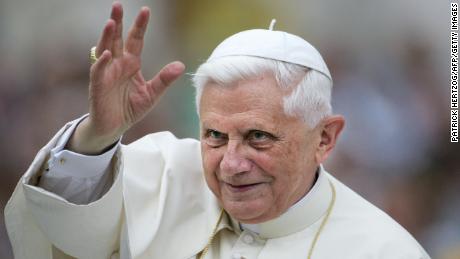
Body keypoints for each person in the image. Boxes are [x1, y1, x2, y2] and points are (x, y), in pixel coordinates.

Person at [5, 2, 430, 259]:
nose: (231, 164)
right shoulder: (164, 173)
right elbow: (60, 230)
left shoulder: (385, 250)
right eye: (215, 136)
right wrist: (98, 136)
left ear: (324, 139)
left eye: (258, 137)